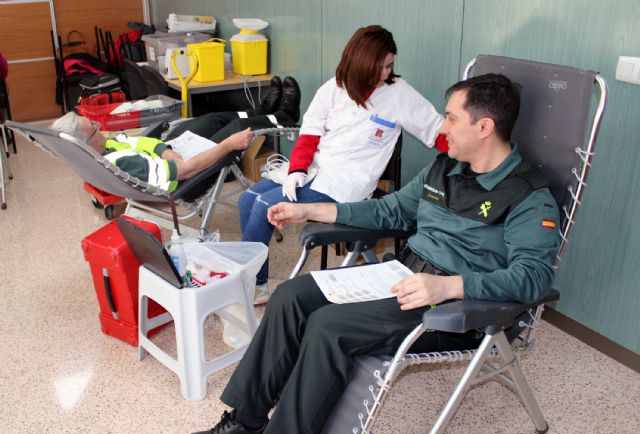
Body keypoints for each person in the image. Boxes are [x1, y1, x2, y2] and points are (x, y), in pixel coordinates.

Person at [182, 73, 561, 434]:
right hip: (404, 276)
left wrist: (450, 287)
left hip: (455, 308)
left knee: (329, 326)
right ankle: (247, 423)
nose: (442, 128)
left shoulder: (529, 196)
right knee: (292, 295)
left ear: (484, 127)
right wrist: (310, 209)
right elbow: (388, 210)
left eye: (450, 118)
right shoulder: (444, 168)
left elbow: (534, 278)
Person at [238, 25, 448, 304]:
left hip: (349, 181)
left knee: (265, 205)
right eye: (381, 67)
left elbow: (437, 132)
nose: (386, 73)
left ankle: (252, 285)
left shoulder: (399, 93)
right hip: (316, 169)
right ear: (360, 64)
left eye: (390, 65)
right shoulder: (334, 88)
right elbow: (310, 132)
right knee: (247, 199)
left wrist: (476, 153)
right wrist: (297, 169)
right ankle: (256, 280)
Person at [50, 112, 253, 191]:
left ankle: (261, 109)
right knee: (235, 129)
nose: (98, 124)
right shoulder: (121, 162)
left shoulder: (105, 146)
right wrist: (228, 145)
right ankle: (280, 116)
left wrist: (165, 151)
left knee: (210, 119)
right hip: (184, 181)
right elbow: (186, 170)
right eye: (93, 127)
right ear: (87, 142)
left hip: (169, 158)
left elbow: (138, 142)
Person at [164, 74, 301, 144]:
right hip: (183, 165)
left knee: (212, 119)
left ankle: (261, 112)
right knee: (238, 126)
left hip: (165, 146)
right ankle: (284, 116)